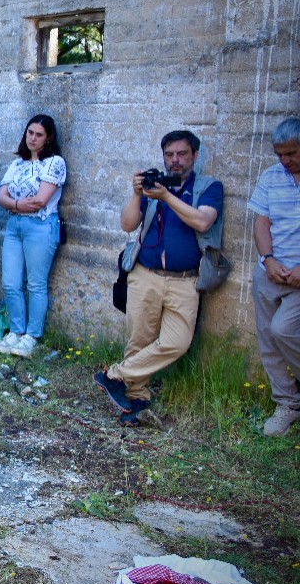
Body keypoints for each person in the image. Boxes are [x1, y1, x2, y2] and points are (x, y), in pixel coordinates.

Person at [94, 130, 223, 422]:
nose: (175, 161)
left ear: (195, 156)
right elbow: (128, 224)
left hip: (185, 279)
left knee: (177, 342)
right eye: (169, 155)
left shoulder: (208, 187)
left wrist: (167, 196)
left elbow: (202, 221)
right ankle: (135, 400)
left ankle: (114, 375)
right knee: (139, 338)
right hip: (145, 273)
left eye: (182, 154)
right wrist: (137, 193)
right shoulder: (154, 185)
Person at [0, 116, 67, 359]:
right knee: (10, 281)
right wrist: (15, 205)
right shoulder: (17, 164)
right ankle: (15, 331)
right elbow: (0, 197)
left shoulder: (54, 163)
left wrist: (12, 204)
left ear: (48, 138)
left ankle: (31, 336)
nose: (32, 138)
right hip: (15, 226)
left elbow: (40, 201)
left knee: (36, 283)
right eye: (30, 132)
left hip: (41, 226)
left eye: (39, 134)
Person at [250, 117, 300, 436]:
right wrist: (268, 260)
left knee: (284, 329)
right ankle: (287, 404)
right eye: (279, 153)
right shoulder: (271, 176)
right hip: (270, 271)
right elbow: (261, 221)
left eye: (292, 153)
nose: (284, 160)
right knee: (268, 338)